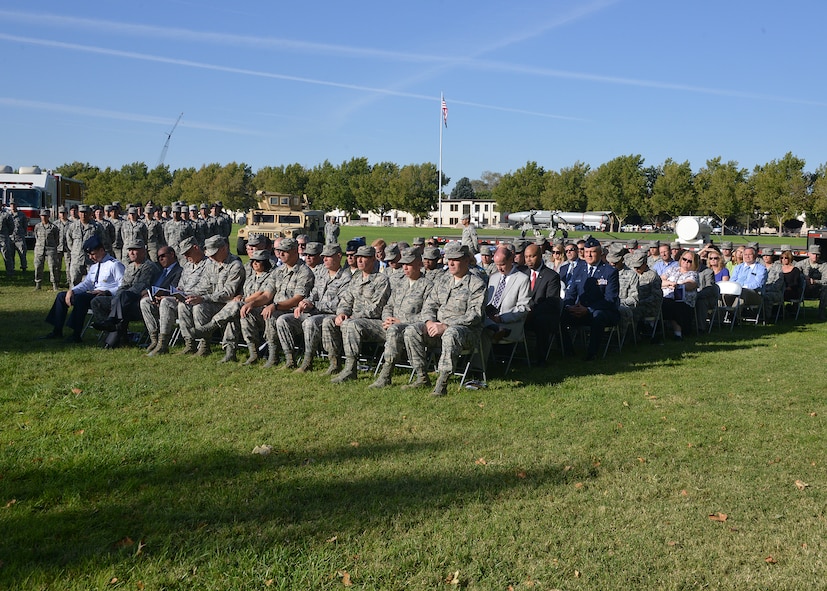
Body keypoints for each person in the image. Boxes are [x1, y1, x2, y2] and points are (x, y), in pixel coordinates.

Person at [403, 243, 486, 396]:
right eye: (449, 260)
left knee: (451, 334)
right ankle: (421, 376)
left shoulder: (476, 284)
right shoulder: (443, 281)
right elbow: (429, 305)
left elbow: (474, 315)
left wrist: (446, 326)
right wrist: (429, 322)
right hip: (437, 329)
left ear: (467, 261)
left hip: (465, 333)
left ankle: (442, 384)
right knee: (412, 330)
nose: (451, 263)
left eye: (456, 260)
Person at [278, 243, 352, 373]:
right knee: (283, 320)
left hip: (331, 315)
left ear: (339, 256)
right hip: (314, 311)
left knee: (310, 323)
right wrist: (305, 302)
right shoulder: (322, 273)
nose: (324, 259)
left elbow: (337, 304)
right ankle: (290, 359)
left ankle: (309, 361)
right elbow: (314, 293)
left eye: (328, 257)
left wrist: (312, 305)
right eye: (323, 257)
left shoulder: (346, 278)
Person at [322, 245, 391, 380]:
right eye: (358, 257)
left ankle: (350, 368)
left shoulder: (381, 280)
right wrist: (342, 313)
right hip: (353, 318)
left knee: (351, 324)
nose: (359, 260)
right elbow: (346, 300)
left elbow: (376, 308)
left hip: (374, 322)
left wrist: (353, 316)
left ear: (372, 259)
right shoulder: (356, 278)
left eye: (363, 257)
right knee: (328, 321)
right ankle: (334, 363)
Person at [42, 236, 125, 343]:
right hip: (92, 294)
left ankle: (76, 334)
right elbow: (87, 284)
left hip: (106, 297)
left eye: (93, 254)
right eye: (89, 254)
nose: (91, 257)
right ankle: (57, 330)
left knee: (81, 299)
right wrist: (72, 291)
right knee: (61, 296)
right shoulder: (95, 267)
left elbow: (123, 285)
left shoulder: (114, 265)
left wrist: (106, 291)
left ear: (101, 250)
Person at [143, 238, 210, 356]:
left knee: (171, 303)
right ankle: (162, 343)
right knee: (157, 302)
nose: (185, 256)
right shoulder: (188, 266)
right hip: (184, 298)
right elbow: (181, 285)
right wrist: (177, 292)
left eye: (188, 253)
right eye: (184, 254)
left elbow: (208, 286)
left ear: (196, 248)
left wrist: (188, 294)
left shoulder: (209, 264)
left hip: (200, 299)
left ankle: (193, 344)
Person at [91, 239, 160, 348]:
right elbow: (123, 285)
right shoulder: (130, 267)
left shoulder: (149, 267)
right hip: (122, 302)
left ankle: (113, 330)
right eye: (130, 250)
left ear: (143, 251)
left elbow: (139, 287)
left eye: (135, 250)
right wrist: (117, 299)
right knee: (97, 301)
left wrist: (119, 299)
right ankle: (109, 330)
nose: (131, 253)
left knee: (124, 298)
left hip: (138, 302)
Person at [257, 237, 315, 368]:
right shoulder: (278, 271)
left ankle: (290, 359)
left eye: (285, 251)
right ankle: (267, 355)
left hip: (295, 311)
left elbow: (298, 298)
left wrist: (275, 306)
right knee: (249, 312)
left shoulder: (304, 272)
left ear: (295, 251)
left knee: (277, 317)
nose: (281, 254)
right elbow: (267, 295)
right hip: (276, 309)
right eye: (279, 251)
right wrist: (250, 304)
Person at [185, 235, 246, 359]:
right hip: (214, 303)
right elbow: (204, 285)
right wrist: (189, 295)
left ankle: (229, 351)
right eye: (210, 254)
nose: (211, 257)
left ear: (224, 249)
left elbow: (228, 292)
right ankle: (204, 346)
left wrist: (204, 298)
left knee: (230, 314)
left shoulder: (235, 265)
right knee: (198, 307)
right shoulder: (211, 264)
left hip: (229, 304)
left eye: (214, 253)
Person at [559, 237, 620, 360]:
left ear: (600, 253)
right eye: (587, 252)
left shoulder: (610, 272)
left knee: (598, 316)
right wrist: (569, 306)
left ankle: (592, 353)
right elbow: (571, 294)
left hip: (602, 311)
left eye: (592, 252)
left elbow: (610, 299)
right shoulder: (579, 270)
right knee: (560, 315)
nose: (589, 255)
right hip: (580, 310)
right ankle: (567, 351)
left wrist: (588, 309)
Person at [482, 245, 531, 362]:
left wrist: (502, 318)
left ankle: (479, 368)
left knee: (483, 332)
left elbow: (524, 307)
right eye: (497, 264)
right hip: (489, 318)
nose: (499, 268)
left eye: (502, 264)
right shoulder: (493, 277)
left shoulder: (522, 279)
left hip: (509, 322)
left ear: (511, 259)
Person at [523, 242, 561, 365]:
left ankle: (540, 358)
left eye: (532, 256)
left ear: (540, 256)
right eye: (526, 257)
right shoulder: (522, 274)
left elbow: (551, 302)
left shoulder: (551, 276)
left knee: (541, 322)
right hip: (524, 312)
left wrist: (531, 312)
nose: (529, 260)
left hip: (543, 314)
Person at [661, 250, 699, 339]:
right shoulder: (673, 269)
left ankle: (678, 334)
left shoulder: (693, 274)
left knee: (673, 306)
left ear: (694, 263)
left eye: (690, 261)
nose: (686, 262)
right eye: (684, 259)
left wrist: (675, 285)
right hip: (665, 297)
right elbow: (659, 281)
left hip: (684, 302)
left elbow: (690, 285)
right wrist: (671, 283)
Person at [65, 204, 103, 286]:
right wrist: (76, 251)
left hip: (91, 259)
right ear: (78, 213)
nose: (83, 215)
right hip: (77, 259)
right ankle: (74, 297)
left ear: (90, 214)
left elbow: (103, 241)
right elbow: (69, 241)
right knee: (75, 280)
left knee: (93, 281)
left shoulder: (96, 227)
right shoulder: (73, 226)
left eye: (86, 213)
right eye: (81, 212)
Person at [795, 244, 827, 320]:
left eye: (817, 254)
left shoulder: (824, 265)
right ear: (808, 254)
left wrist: (815, 281)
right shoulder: (801, 264)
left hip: (817, 289)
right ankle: (794, 311)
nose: (815, 256)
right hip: (803, 288)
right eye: (813, 254)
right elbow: (794, 275)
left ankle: (821, 313)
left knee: (825, 289)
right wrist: (805, 280)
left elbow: (825, 280)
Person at [729, 244, 767, 308]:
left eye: (750, 254)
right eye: (745, 255)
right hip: (737, 292)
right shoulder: (738, 268)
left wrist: (741, 288)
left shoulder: (761, 269)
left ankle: (735, 315)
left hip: (754, 294)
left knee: (743, 293)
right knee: (724, 294)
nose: (747, 256)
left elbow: (758, 284)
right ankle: (721, 315)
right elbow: (732, 281)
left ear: (755, 256)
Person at [33, 209, 60, 291]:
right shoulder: (37, 226)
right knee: (38, 267)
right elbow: (36, 236)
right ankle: (38, 284)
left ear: (49, 216)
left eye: (45, 216)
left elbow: (57, 239)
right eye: (42, 216)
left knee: (53, 267)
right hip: (39, 249)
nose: (43, 217)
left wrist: (52, 246)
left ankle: (55, 284)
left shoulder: (53, 227)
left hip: (50, 249)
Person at [9, 199, 29, 273]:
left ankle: (24, 268)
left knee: (22, 253)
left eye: (14, 204)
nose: (13, 206)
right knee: (11, 255)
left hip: (19, 237)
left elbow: (25, 226)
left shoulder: (22, 215)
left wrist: (23, 233)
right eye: (11, 204)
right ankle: (11, 269)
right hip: (10, 237)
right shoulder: (7, 215)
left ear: (16, 205)